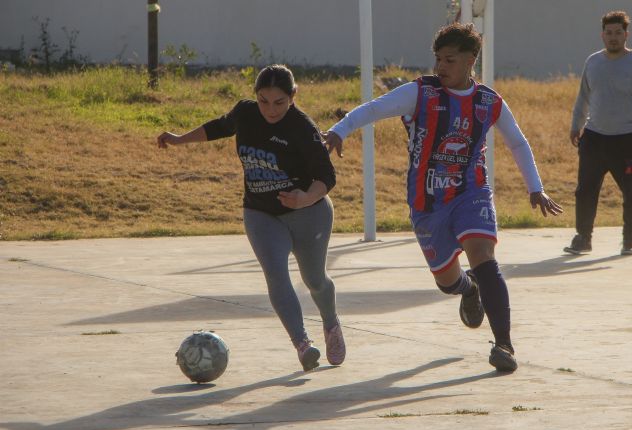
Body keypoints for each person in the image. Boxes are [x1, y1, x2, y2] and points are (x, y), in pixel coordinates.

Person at [325, 23, 562, 372]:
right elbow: (374, 109)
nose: (441, 67)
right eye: (438, 59)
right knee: (446, 281)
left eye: (449, 60)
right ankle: (468, 290)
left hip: (471, 191)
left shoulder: (488, 102)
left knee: (483, 255)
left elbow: (518, 142)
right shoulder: (421, 93)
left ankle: (504, 345)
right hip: (427, 201)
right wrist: (340, 129)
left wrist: (535, 187)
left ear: (470, 60)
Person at [156, 65, 344, 372]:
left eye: (279, 102)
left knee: (315, 280)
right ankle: (303, 344)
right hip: (261, 212)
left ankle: (331, 324)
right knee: (275, 273)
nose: (270, 109)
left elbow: (327, 175)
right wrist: (178, 140)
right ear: (254, 96)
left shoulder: (301, 127)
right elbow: (218, 127)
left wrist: (305, 198)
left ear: (293, 96)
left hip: (308, 213)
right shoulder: (245, 113)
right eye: (263, 100)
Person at [566, 10, 632, 256]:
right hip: (594, 138)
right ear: (602, 35)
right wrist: (575, 125)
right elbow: (583, 97)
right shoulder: (593, 62)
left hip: (628, 140)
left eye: (618, 33)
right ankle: (583, 238)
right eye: (609, 33)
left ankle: (629, 239)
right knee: (585, 190)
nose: (613, 37)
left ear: (626, 35)